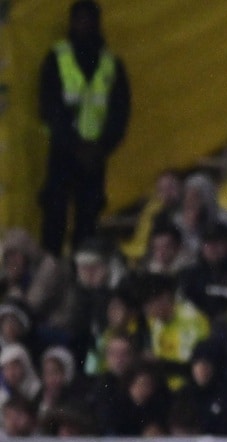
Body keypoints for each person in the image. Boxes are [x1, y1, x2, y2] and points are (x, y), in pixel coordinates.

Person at [37, 0, 131, 256]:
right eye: (79, 19)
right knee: (54, 217)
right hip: (62, 153)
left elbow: (119, 113)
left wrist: (101, 147)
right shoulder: (57, 58)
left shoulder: (111, 64)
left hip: (96, 157)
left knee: (88, 220)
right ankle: (53, 270)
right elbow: (49, 108)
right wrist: (74, 144)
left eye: (89, 20)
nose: (84, 25)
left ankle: (83, 273)